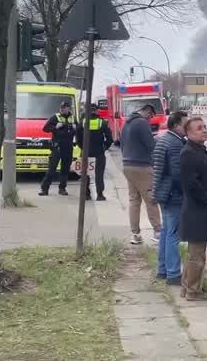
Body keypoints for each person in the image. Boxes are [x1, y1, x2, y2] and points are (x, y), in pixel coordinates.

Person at [178, 116, 207, 301]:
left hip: (202, 210)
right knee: (196, 256)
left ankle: (187, 288)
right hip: (197, 211)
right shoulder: (189, 152)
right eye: (199, 128)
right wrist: (206, 199)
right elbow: (190, 183)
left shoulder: (198, 149)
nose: (204, 130)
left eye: (205, 127)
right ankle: (192, 291)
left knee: (196, 253)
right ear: (188, 133)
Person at [153, 111, 188, 286]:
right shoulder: (175, 144)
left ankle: (163, 269)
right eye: (185, 124)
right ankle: (173, 274)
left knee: (167, 232)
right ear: (176, 126)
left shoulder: (163, 139)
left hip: (163, 192)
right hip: (173, 194)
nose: (187, 128)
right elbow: (177, 173)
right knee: (173, 234)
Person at [120, 104, 162, 245]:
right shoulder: (142, 123)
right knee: (151, 199)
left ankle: (135, 234)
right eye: (150, 116)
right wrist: (158, 139)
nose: (150, 119)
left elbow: (122, 145)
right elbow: (151, 145)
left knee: (134, 201)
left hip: (127, 165)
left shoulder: (126, 123)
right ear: (147, 111)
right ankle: (158, 232)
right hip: (142, 166)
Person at [76, 104, 114, 201]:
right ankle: (100, 195)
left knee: (85, 174)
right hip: (99, 153)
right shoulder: (102, 123)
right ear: (97, 111)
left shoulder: (82, 122)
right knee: (99, 174)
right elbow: (110, 139)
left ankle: (86, 195)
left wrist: (83, 148)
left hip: (85, 152)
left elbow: (77, 139)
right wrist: (104, 147)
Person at [39, 101, 78, 196]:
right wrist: (55, 127)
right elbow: (45, 128)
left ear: (68, 108)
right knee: (52, 169)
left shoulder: (73, 118)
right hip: (57, 147)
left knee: (65, 169)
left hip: (68, 147)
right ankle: (45, 189)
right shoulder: (55, 117)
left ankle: (62, 188)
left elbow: (79, 130)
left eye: (64, 107)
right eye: (61, 107)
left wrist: (76, 127)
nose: (62, 109)